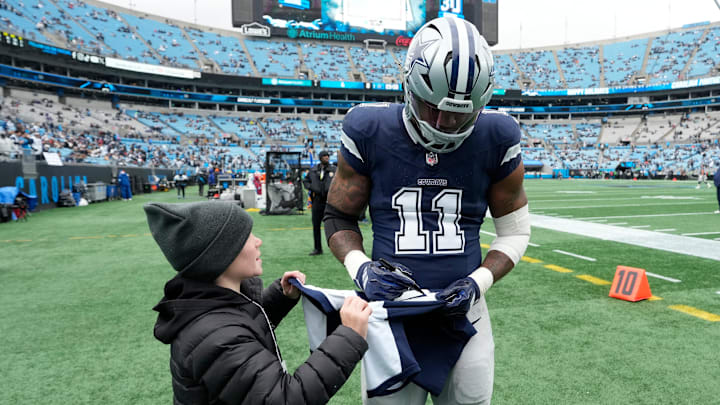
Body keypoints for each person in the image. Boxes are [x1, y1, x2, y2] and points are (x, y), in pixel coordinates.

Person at [323, 17, 530, 405]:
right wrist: (361, 268)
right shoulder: (369, 128)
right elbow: (338, 216)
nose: (445, 122)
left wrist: (477, 283)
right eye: (432, 106)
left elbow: (515, 232)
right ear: (409, 85)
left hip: (464, 314)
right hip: (390, 314)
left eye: (459, 113)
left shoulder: (497, 135)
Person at [145, 201, 371, 404]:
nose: (258, 241)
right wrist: (349, 336)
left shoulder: (215, 304)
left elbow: (240, 325)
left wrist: (281, 297)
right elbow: (284, 398)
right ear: (221, 255)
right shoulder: (216, 337)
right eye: (246, 236)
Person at [303, 150, 336, 256]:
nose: (327, 157)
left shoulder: (334, 170)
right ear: (320, 158)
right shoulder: (313, 170)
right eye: (324, 156)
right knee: (316, 225)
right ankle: (318, 248)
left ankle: (336, 248)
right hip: (317, 200)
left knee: (332, 226)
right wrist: (311, 188)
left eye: (328, 156)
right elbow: (306, 181)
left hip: (330, 201)